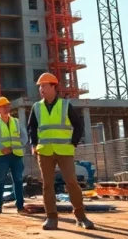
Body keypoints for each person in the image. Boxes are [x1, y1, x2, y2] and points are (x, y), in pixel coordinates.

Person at [27, 73, 93, 230]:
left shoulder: (65, 105)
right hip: (44, 152)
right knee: (47, 185)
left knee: (71, 182)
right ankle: (51, 218)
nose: (41, 89)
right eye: (40, 87)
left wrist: (72, 144)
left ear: (53, 87)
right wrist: (33, 145)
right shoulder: (36, 107)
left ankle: (81, 216)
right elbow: (32, 128)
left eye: (43, 86)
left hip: (65, 150)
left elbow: (78, 126)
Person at [0, 96, 26, 215]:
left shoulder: (16, 121)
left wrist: (17, 146)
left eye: (7, 106)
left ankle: (20, 206)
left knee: (18, 180)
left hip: (16, 155)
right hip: (1, 156)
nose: (6, 108)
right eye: (3, 106)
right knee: (1, 180)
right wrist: (2, 148)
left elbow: (24, 137)